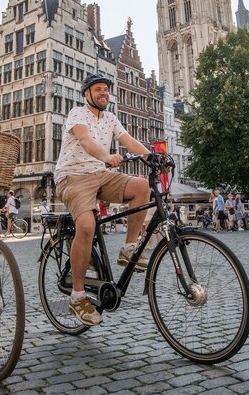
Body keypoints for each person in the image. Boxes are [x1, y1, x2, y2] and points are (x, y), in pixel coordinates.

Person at [53, 73, 150, 326]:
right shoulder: (77, 114)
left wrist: (152, 156)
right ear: (87, 94)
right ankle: (77, 296)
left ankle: (129, 248)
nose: (103, 93)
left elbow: (128, 141)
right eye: (98, 90)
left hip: (100, 174)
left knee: (142, 187)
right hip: (72, 176)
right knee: (86, 226)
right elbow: (85, 141)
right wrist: (106, 156)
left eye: (106, 90)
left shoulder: (111, 118)